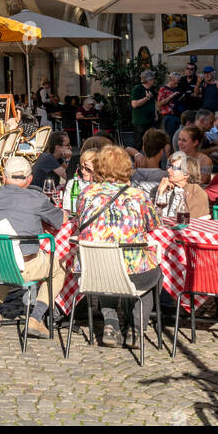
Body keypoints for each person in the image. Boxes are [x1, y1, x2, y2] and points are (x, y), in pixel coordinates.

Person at [76, 144, 163, 347]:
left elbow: (79, 223)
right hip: (133, 272)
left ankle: (111, 324)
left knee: (107, 268)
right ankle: (136, 328)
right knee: (154, 275)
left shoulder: (86, 194)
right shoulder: (138, 196)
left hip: (93, 272)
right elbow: (153, 225)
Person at [0, 155, 65, 337]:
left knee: (5, 253)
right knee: (59, 268)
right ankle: (37, 317)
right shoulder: (36, 198)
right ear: (30, 179)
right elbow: (60, 220)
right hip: (22, 267)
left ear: (4, 178)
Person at [154, 150, 211, 220]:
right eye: (169, 166)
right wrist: (160, 192)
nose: (168, 170)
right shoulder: (168, 187)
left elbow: (187, 222)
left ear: (186, 173)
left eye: (174, 168)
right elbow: (156, 218)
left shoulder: (196, 193)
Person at [130, 129, 170, 196]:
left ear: (143, 148)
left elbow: (126, 149)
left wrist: (136, 154)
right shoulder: (166, 177)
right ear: (162, 151)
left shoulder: (132, 173)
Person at [130, 69, 158, 140]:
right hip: (140, 122)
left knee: (151, 143)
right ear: (148, 80)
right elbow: (134, 104)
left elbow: (154, 103)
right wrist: (146, 98)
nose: (154, 80)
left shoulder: (152, 89)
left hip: (151, 121)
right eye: (152, 79)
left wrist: (156, 114)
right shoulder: (137, 88)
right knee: (138, 144)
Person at [157, 74, 182, 140]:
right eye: (175, 83)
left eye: (178, 83)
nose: (176, 85)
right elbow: (159, 103)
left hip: (178, 115)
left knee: (177, 138)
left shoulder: (176, 88)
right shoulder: (163, 89)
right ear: (171, 80)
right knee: (170, 138)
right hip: (169, 116)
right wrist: (171, 96)